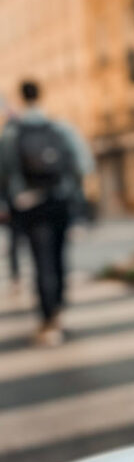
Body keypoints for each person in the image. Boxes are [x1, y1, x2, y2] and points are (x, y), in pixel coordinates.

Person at [0, 80, 93, 345]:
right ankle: (59, 308)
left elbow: (3, 172)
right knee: (59, 255)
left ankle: (48, 319)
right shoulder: (60, 127)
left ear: (21, 96)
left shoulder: (11, 132)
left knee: (42, 261)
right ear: (41, 95)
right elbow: (84, 164)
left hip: (30, 205)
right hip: (61, 201)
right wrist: (74, 194)